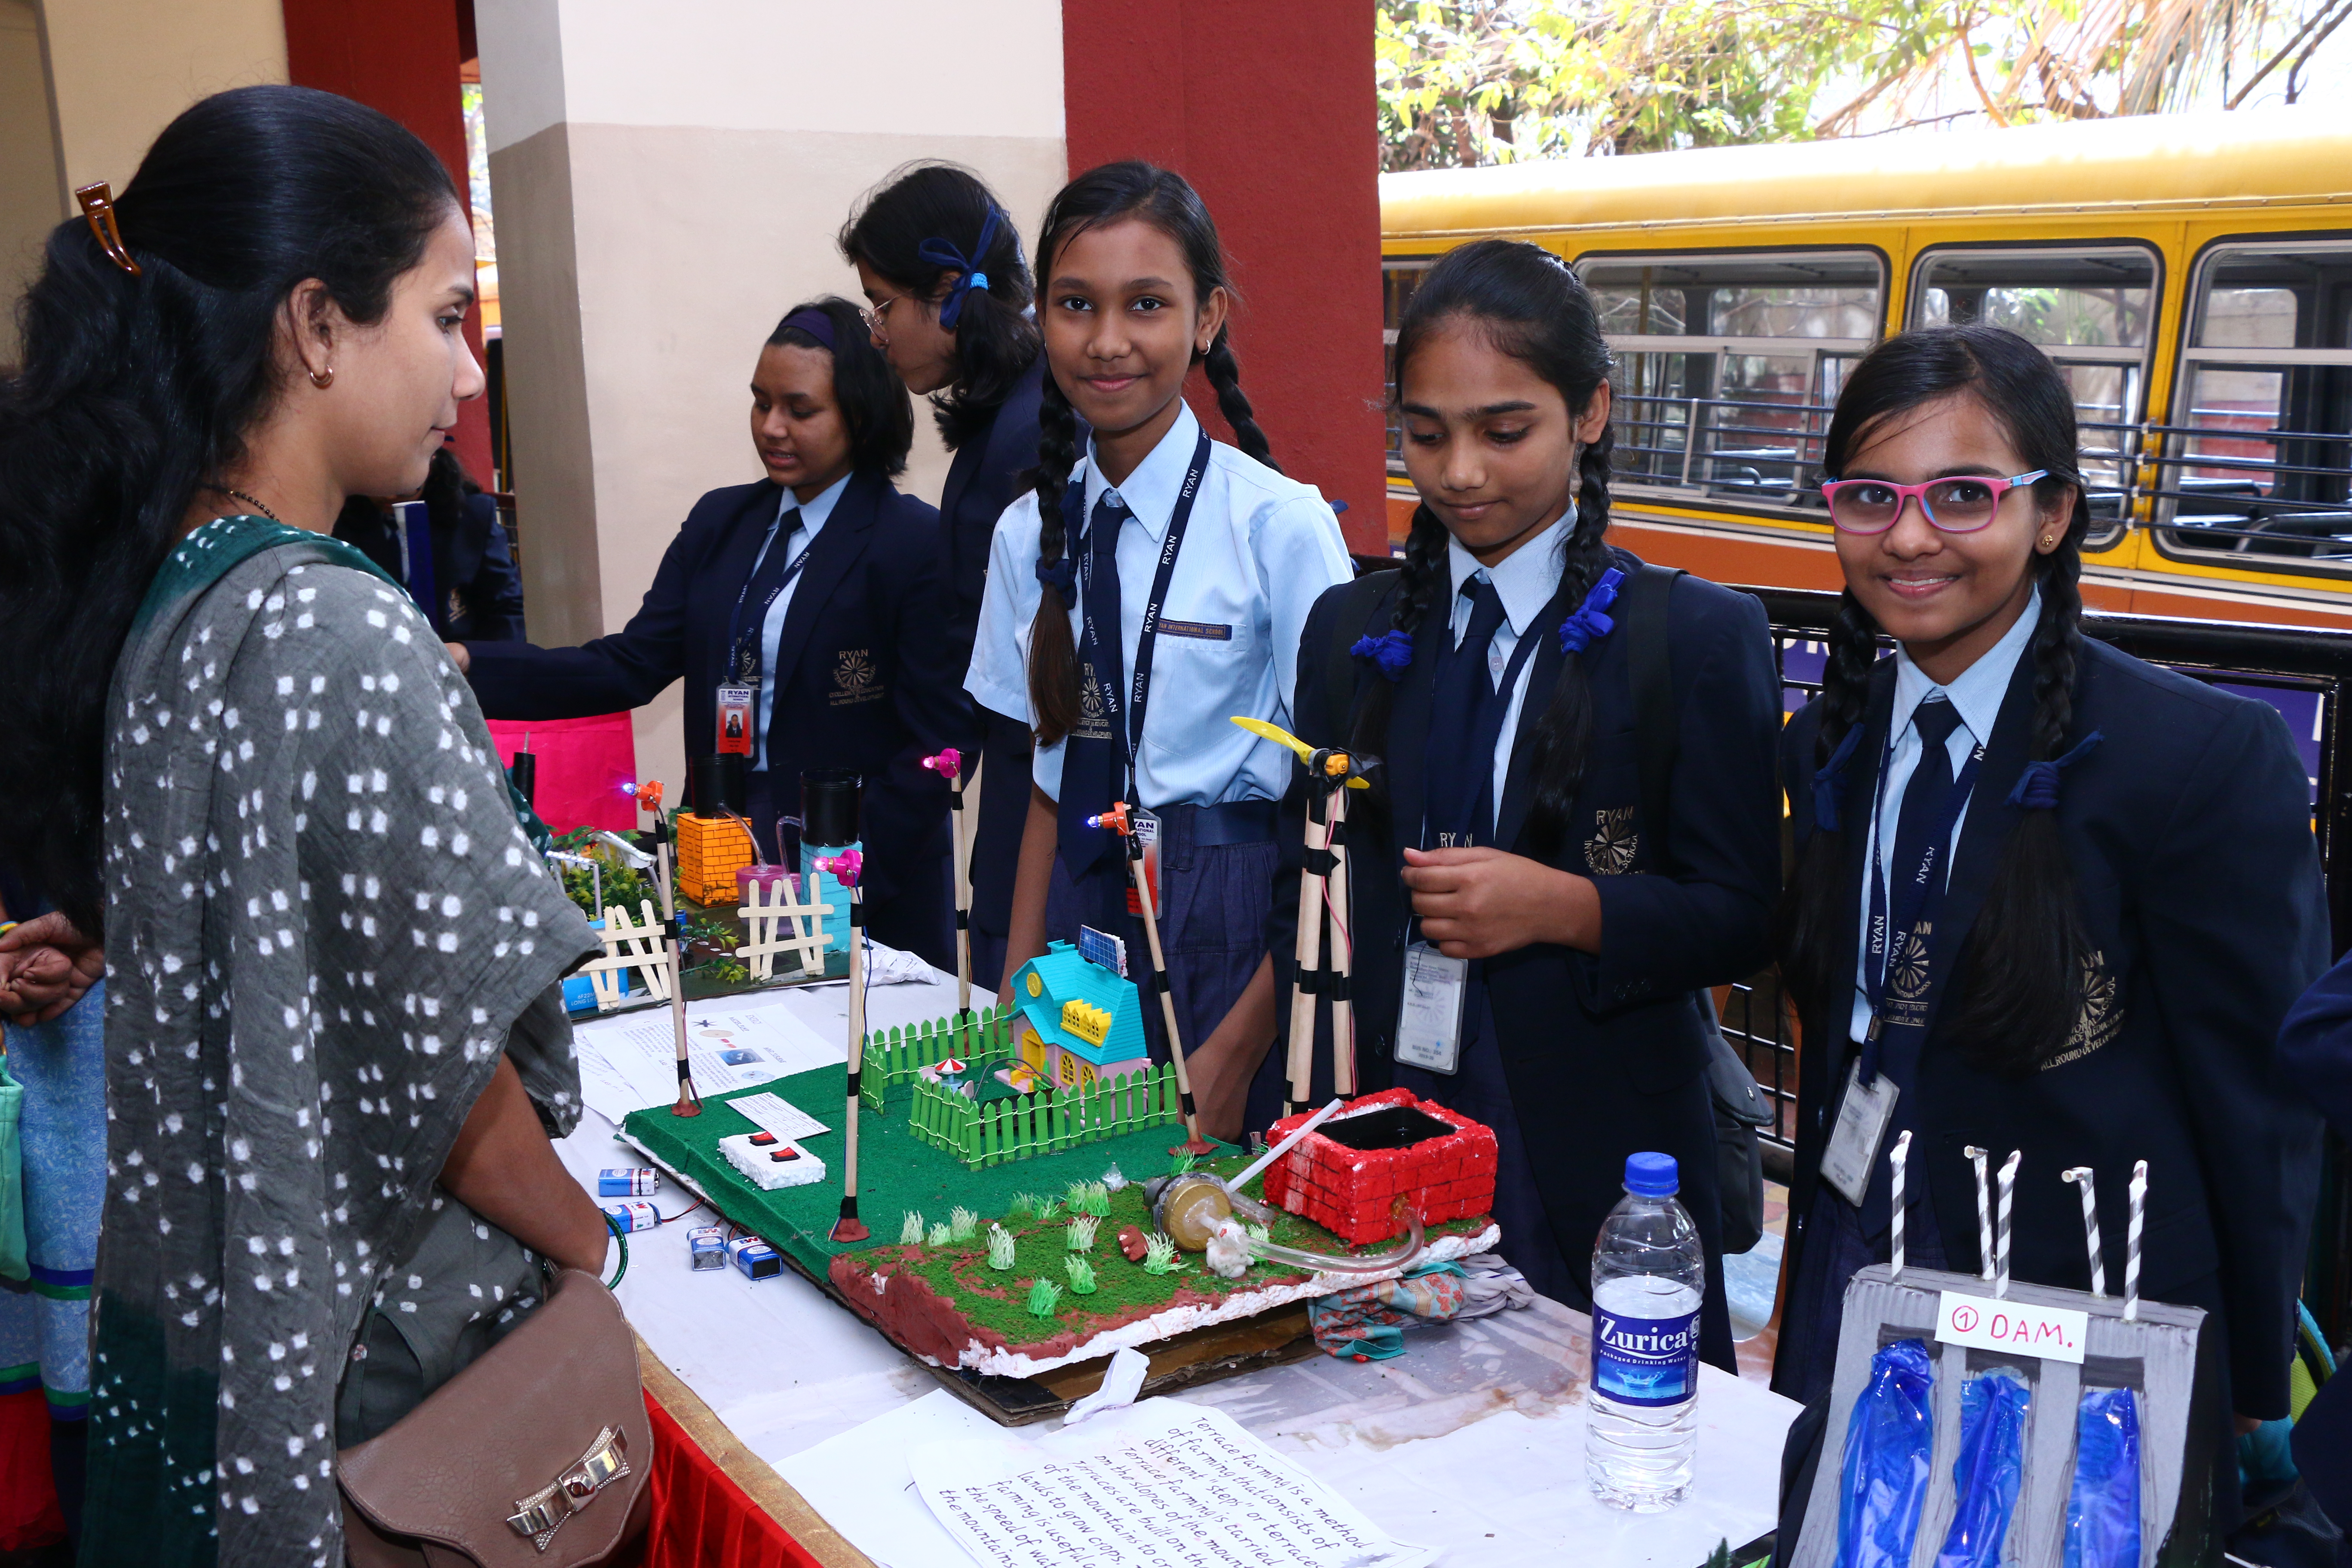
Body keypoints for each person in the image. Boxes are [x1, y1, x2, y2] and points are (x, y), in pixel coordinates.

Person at [0, 84, 612, 1564]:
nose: (467, 373)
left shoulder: (177, 585)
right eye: (445, 315)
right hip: (359, 1360)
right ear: (316, 323)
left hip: (221, 1327)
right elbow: (451, 1077)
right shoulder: (339, 625)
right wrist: (589, 1242)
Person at [1771, 324, 2326, 1534]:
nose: (1910, 537)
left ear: (2055, 512)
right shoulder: (1833, 740)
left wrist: (2245, 1354)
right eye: (1870, 496)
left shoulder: (2191, 761)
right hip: (1863, 1262)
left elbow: (2255, 1098)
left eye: (1963, 495)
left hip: (2081, 1307)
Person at [1259, 239, 1779, 1354]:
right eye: (1426, 434)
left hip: (1600, 1155)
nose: (1459, 474)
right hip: (1392, 1118)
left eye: (1505, 432)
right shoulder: (1350, 633)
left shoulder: (1690, 638)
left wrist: (1565, 907)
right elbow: (1307, 889)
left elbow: (1742, 910)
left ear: (1590, 412)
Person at [963, 161, 1350, 1127]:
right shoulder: (1026, 534)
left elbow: (1338, 820)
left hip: (1231, 927)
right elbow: (1042, 790)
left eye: (1145, 305)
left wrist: (1236, 1049)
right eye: (1074, 305)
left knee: (1215, 1238)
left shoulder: (1278, 526)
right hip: (1076, 927)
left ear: (1207, 319)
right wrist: (1011, 985)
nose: (1107, 342)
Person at [454, 297, 964, 966]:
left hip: (853, 875)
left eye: (799, 409)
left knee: (849, 1065)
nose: (771, 427)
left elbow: (938, 743)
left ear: (861, 417)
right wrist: (467, 664)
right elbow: (628, 665)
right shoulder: (723, 523)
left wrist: (847, 876)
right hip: (721, 854)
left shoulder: (911, 543)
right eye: (760, 402)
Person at [840, 162, 1051, 991]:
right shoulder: (1008, 419)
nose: (877, 331)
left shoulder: (1024, 440)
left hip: (1036, 813)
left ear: (947, 291)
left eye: (883, 304)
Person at [332, 442, 527, 640]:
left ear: (430, 465)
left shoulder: (473, 515)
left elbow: (507, 605)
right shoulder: (338, 517)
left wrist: (469, 654)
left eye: (403, 485)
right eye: (378, 483)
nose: (389, 496)